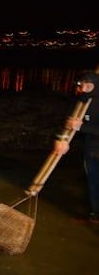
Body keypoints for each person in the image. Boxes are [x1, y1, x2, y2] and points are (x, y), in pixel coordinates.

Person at [53, 71, 99, 223]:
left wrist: (82, 128)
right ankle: (95, 214)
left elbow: (80, 126)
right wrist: (61, 139)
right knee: (92, 181)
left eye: (89, 86)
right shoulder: (80, 102)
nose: (84, 89)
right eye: (82, 85)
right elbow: (68, 122)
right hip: (91, 149)